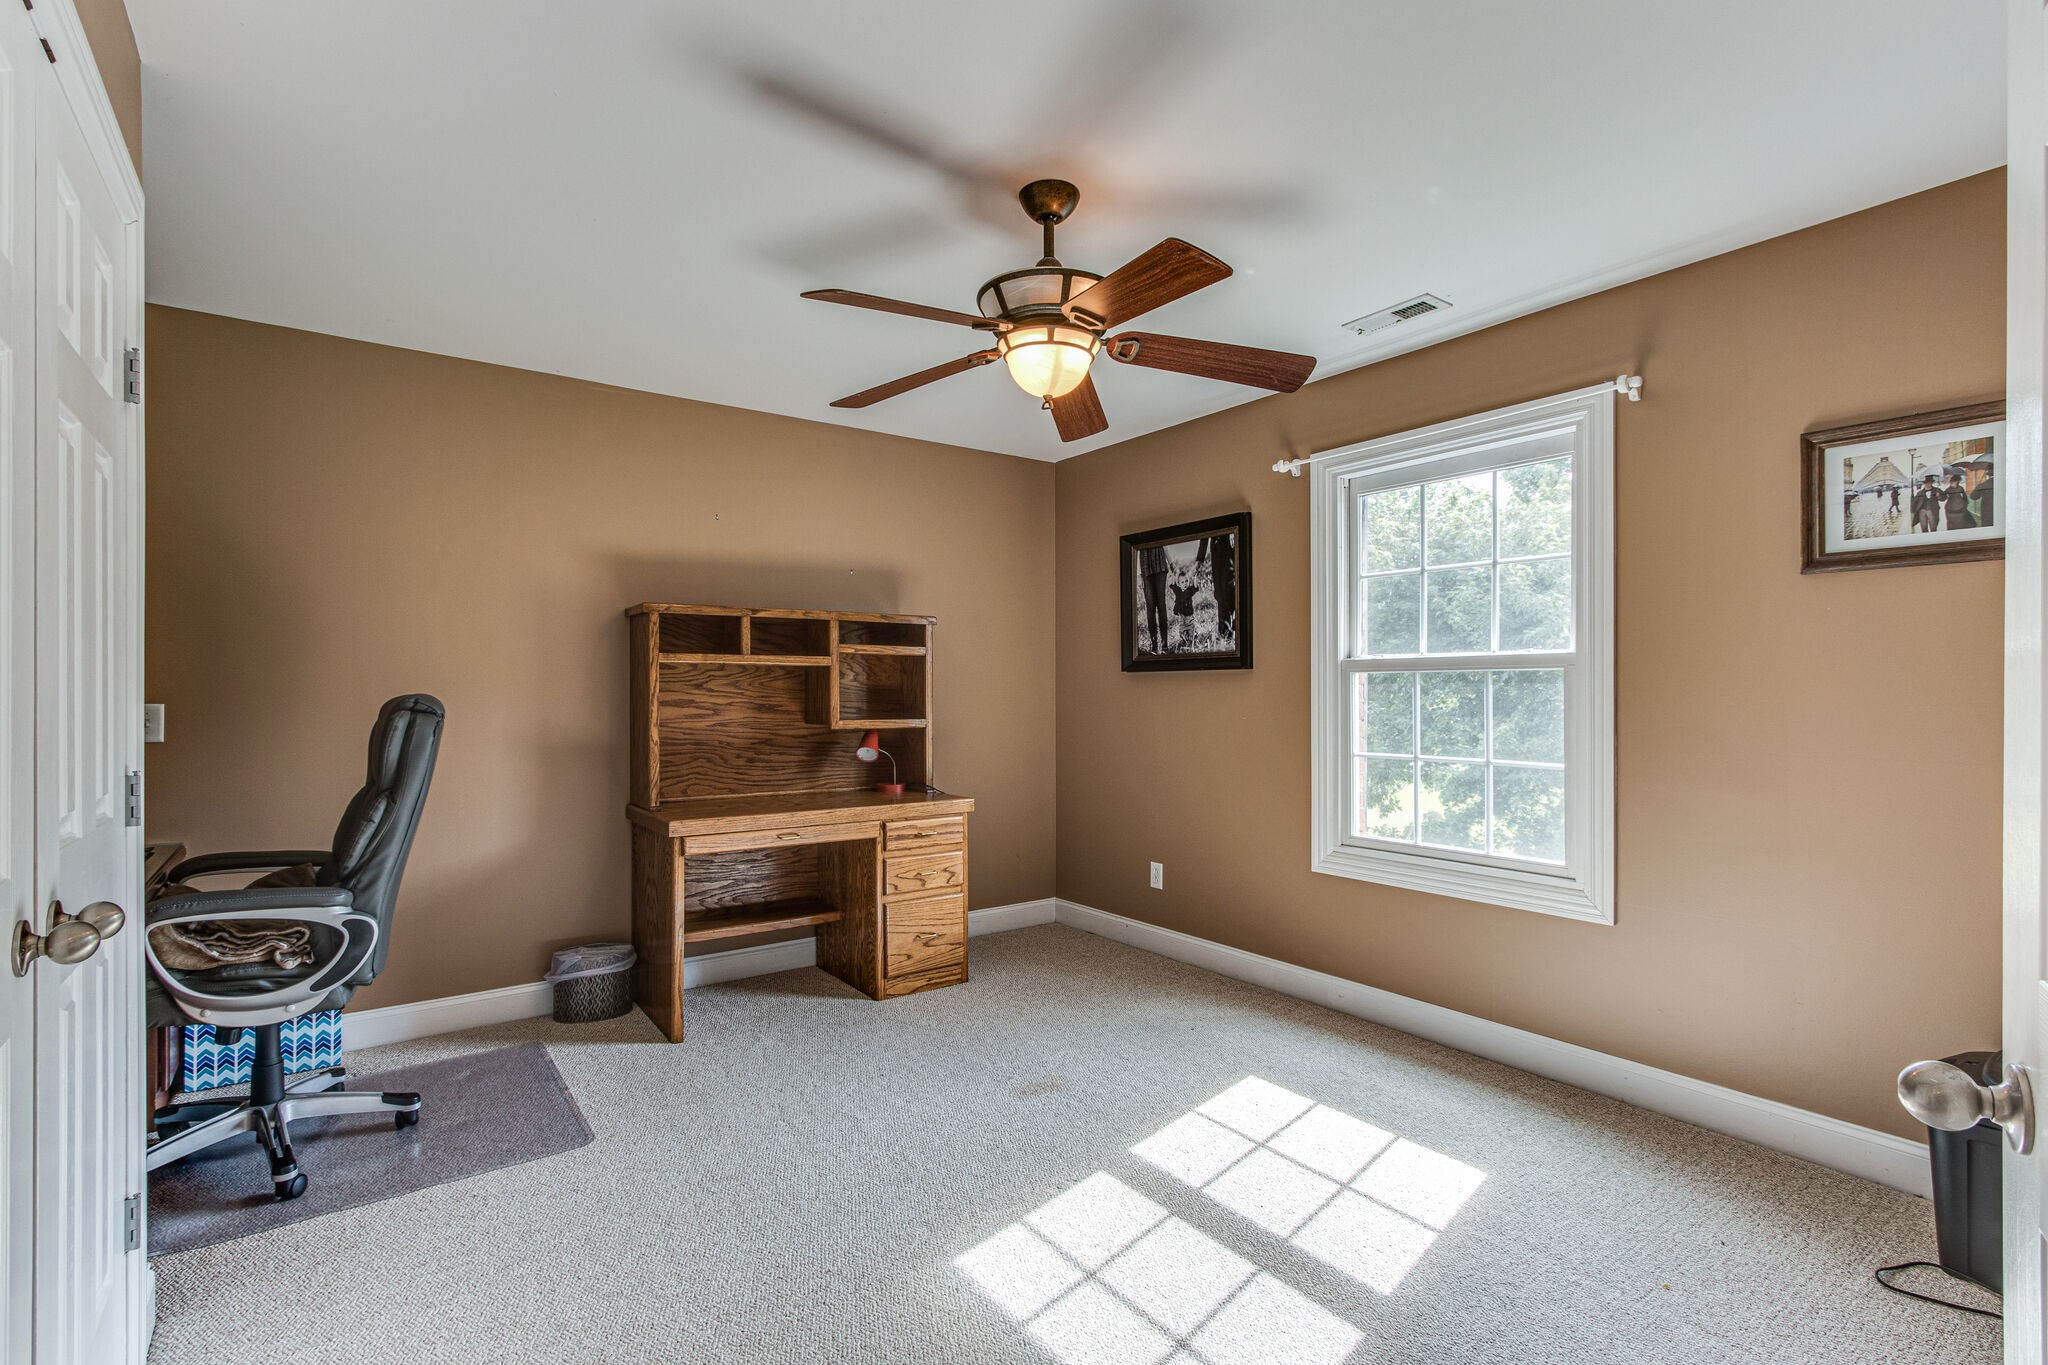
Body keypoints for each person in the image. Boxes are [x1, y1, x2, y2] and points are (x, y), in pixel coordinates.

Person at [1195, 532, 1237, 639]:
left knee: (1229, 589)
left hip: (1230, 546)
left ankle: (1235, 625)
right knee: (1219, 592)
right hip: (1215, 550)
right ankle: (1224, 631)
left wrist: (1234, 536)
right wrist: (1200, 558)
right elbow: (1205, 529)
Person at [1139, 542, 1170, 653]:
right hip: (1145, 563)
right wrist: (1139, 574)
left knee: (1161, 604)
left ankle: (1165, 645)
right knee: (1150, 606)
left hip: (1160, 560)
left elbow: (1165, 541)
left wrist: (1171, 563)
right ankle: (1154, 646)